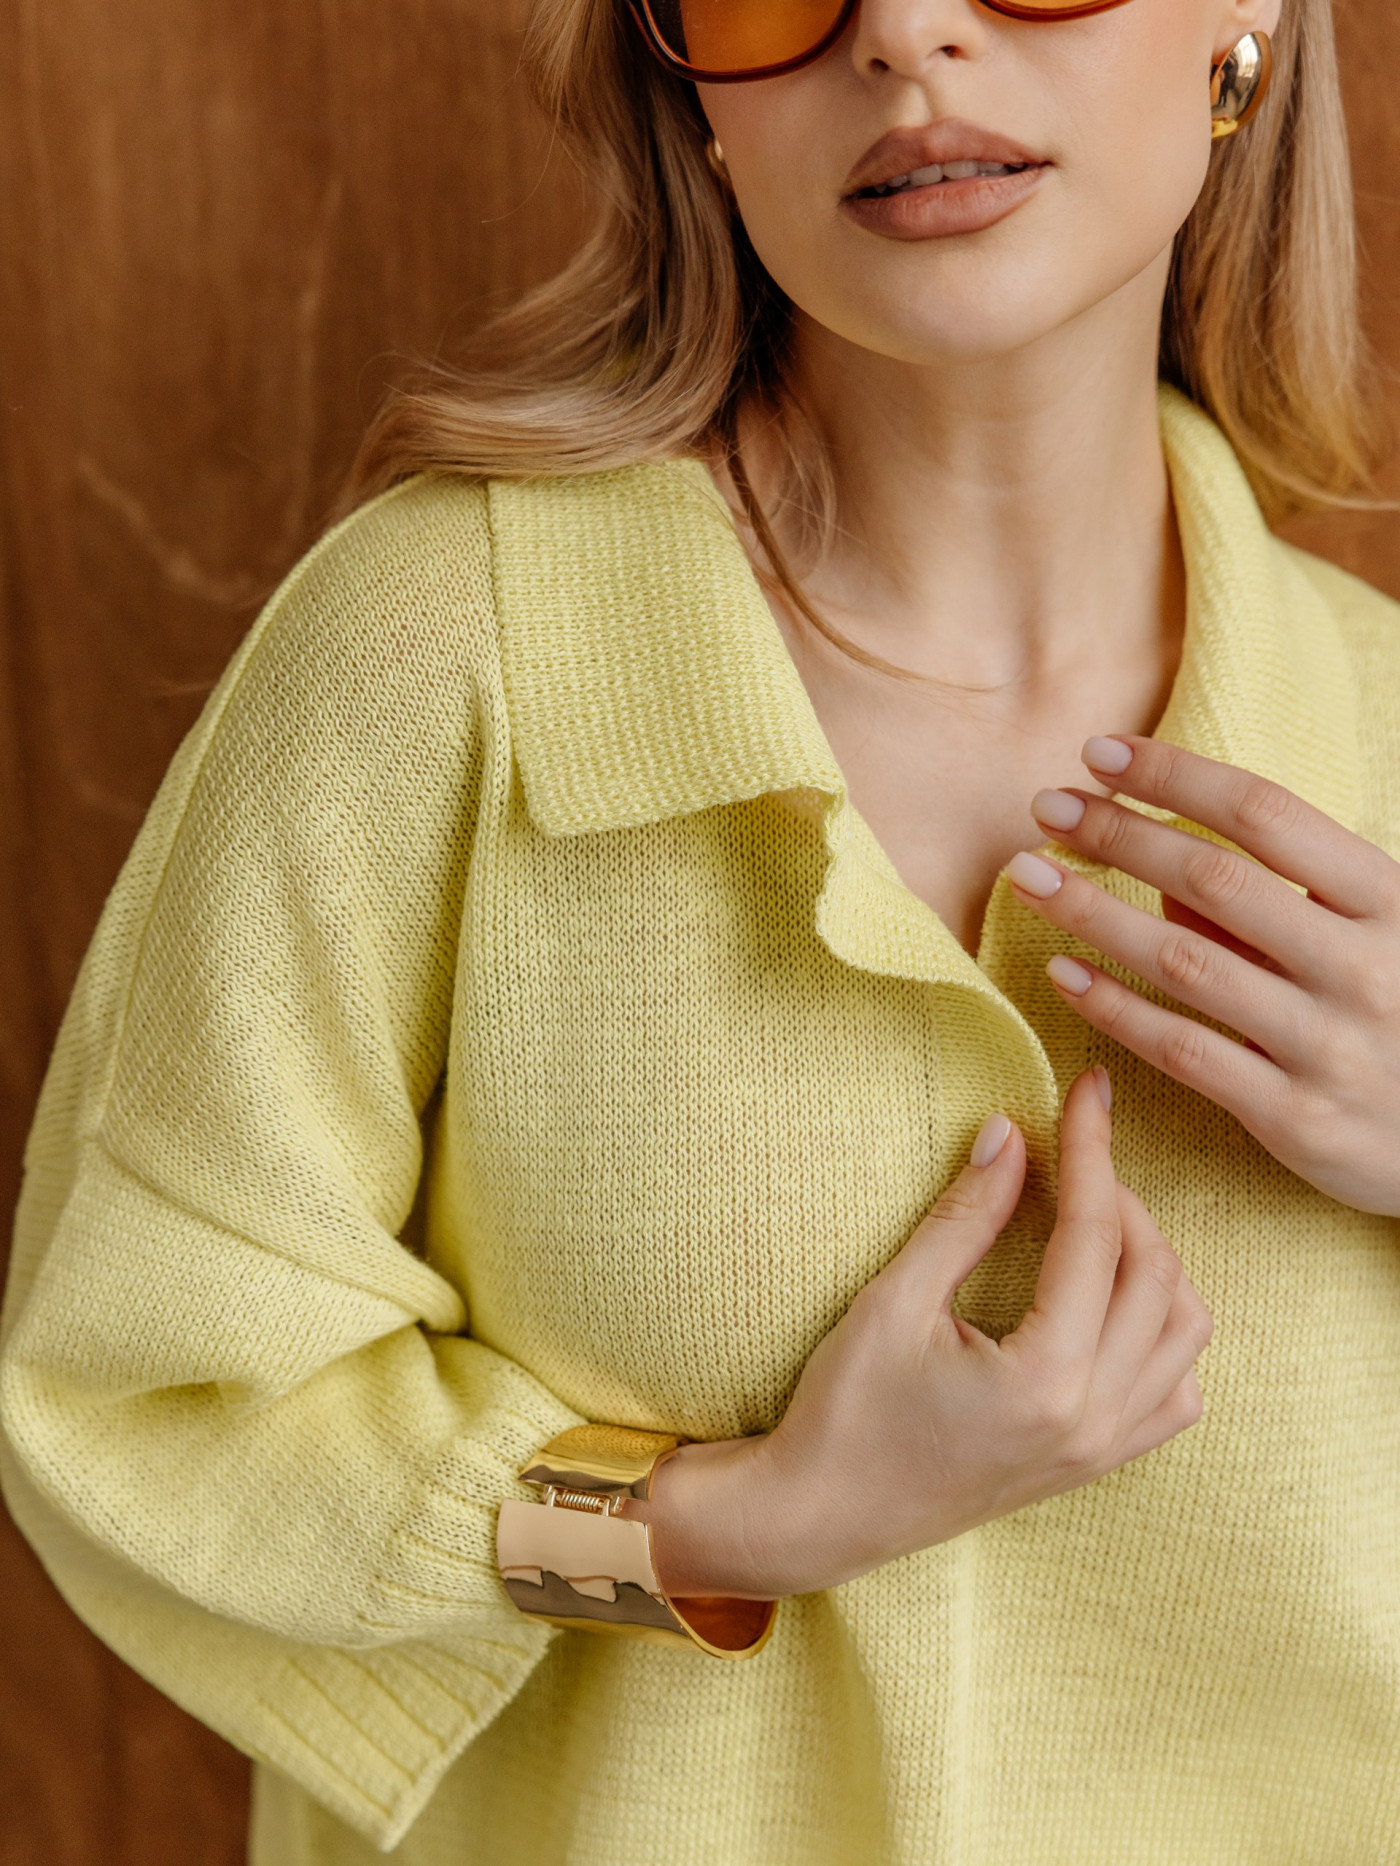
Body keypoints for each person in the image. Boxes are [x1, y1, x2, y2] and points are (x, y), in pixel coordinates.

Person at [3, 0, 1399, 1859]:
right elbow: (143, 1399)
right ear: (686, 87)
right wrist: (731, 1521)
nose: (906, 33)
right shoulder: (439, 654)